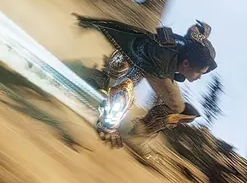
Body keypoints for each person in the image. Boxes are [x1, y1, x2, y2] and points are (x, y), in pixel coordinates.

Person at [74, 14, 217, 157]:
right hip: (135, 59)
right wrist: (109, 126)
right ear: (186, 64)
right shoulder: (160, 59)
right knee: (118, 82)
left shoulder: (188, 48)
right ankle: (95, 83)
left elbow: (193, 33)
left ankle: (138, 134)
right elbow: (127, 84)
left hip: (147, 63)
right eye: (199, 72)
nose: (199, 77)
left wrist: (202, 32)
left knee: (181, 110)